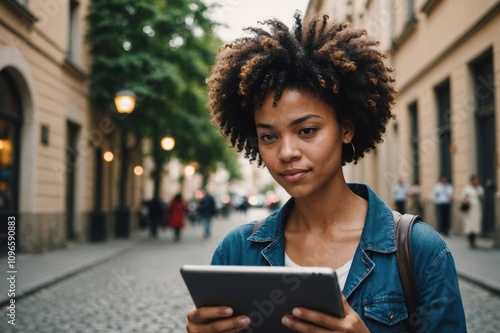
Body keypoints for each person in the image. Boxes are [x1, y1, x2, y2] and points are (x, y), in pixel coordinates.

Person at [186, 13, 466, 332]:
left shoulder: (419, 252)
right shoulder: (236, 251)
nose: (287, 152)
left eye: (306, 130)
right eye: (269, 136)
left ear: (346, 128)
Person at [461, 175, 484, 248]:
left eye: (477, 180)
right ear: (472, 181)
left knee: (476, 224)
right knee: (469, 225)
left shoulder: (480, 189)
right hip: (469, 210)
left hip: (477, 209)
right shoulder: (467, 189)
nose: (476, 181)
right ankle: (470, 240)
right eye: (475, 180)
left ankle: (474, 240)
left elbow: (482, 198)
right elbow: (463, 198)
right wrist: (465, 201)